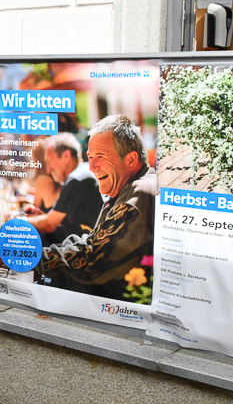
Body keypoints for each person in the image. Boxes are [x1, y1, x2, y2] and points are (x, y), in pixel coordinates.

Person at [32, 115, 156, 302]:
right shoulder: (128, 189)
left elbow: (92, 259)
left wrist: (31, 257)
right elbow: (92, 241)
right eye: (90, 157)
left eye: (100, 157)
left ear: (131, 160)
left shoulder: (138, 194)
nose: (92, 166)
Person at [24, 133, 102, 245]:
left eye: (49, 161)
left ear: (66, 156)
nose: (48, 170)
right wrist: (40, 216)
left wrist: (19, 221)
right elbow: (62, 221)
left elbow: (49, 225)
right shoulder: (82, 173)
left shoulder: (76, 179)